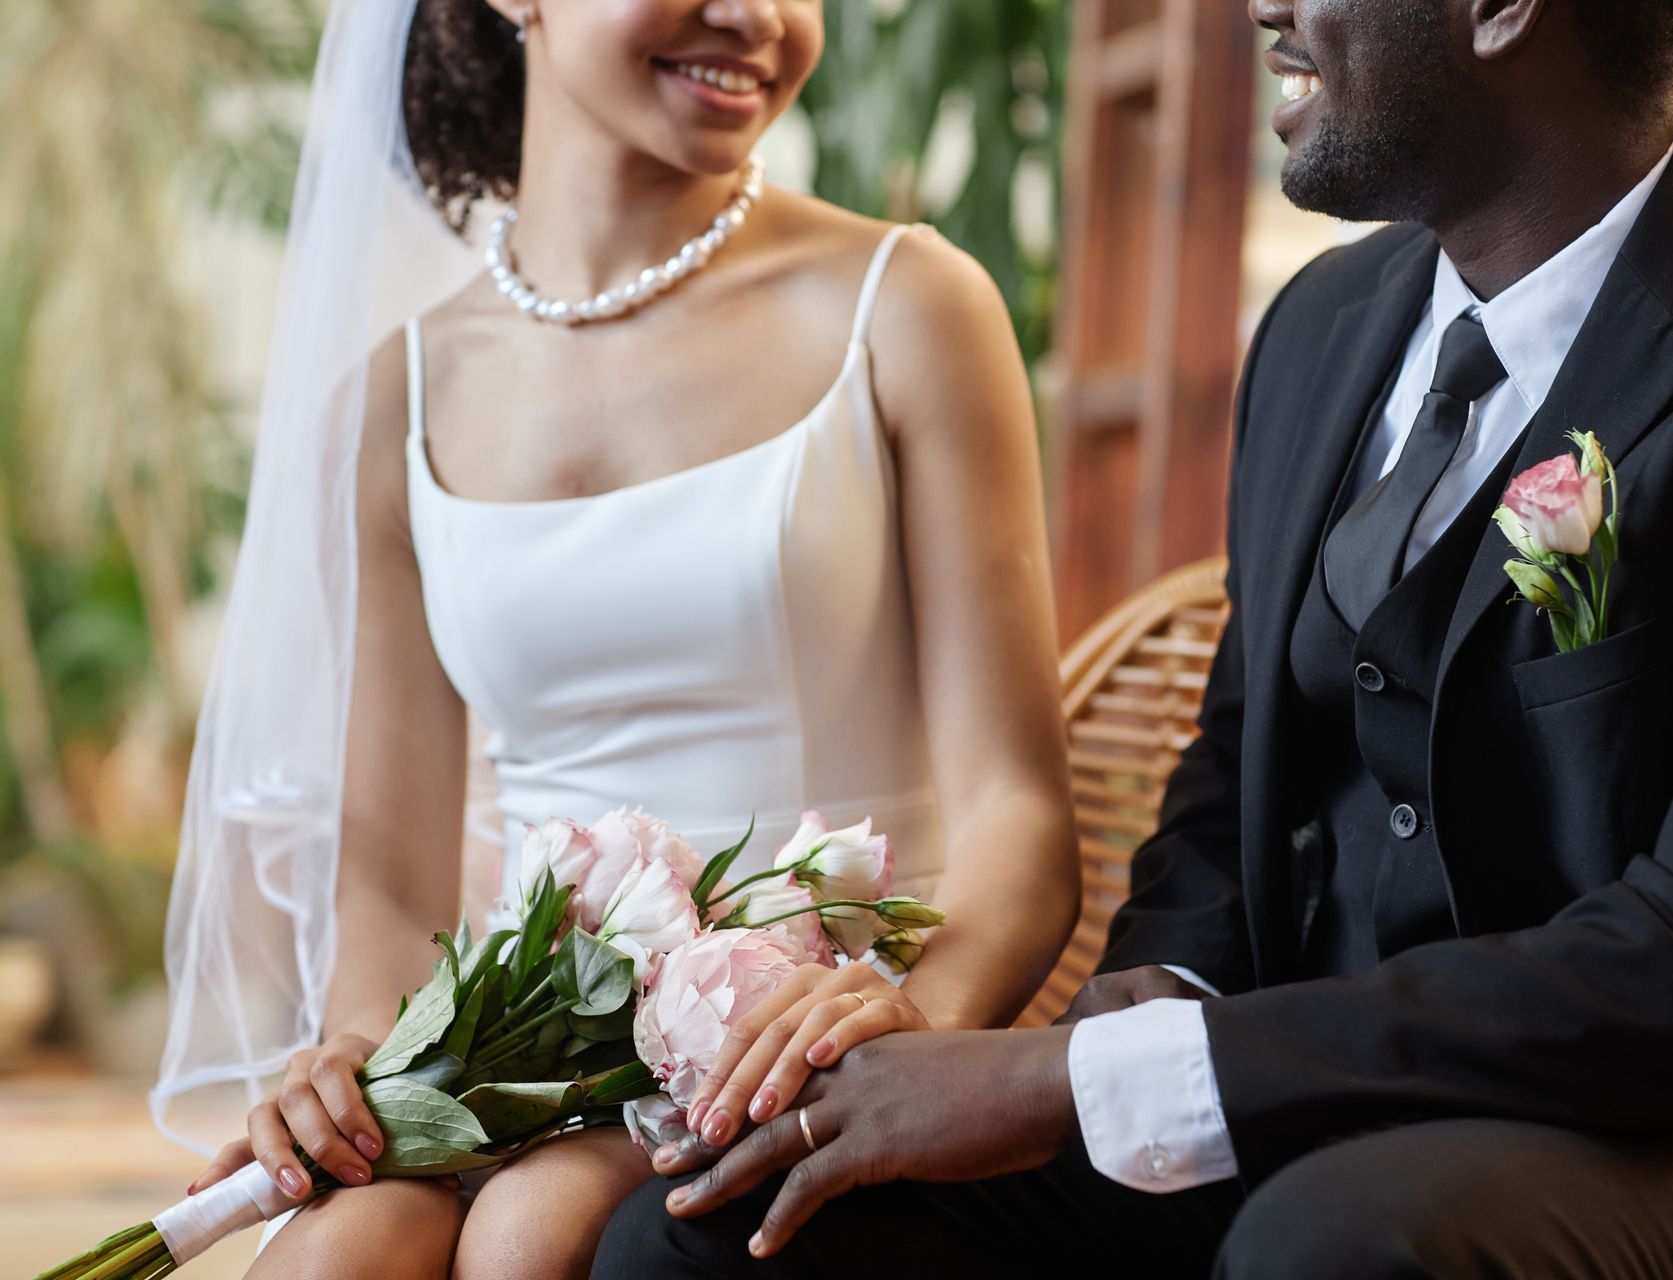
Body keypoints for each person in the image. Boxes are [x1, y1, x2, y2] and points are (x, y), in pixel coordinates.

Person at [593, 0, 1673, 1275]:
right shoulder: (1322, 328)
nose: (1266, 7)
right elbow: (1238, 776)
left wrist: (1081, 1079)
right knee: (715, 1231)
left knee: (1337, 1240)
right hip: (1296, 1097)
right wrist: (1155, 986)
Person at [162, 0, 1080, 1275]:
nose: (759, 16)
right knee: (341, 1250)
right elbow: (386, 878)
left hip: (805, 1024)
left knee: (532, 1234)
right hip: (531, 1036)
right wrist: (350, 1058)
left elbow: (1020, 814)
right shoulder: (400, 392)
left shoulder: (910, 305)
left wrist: (917, 1012)